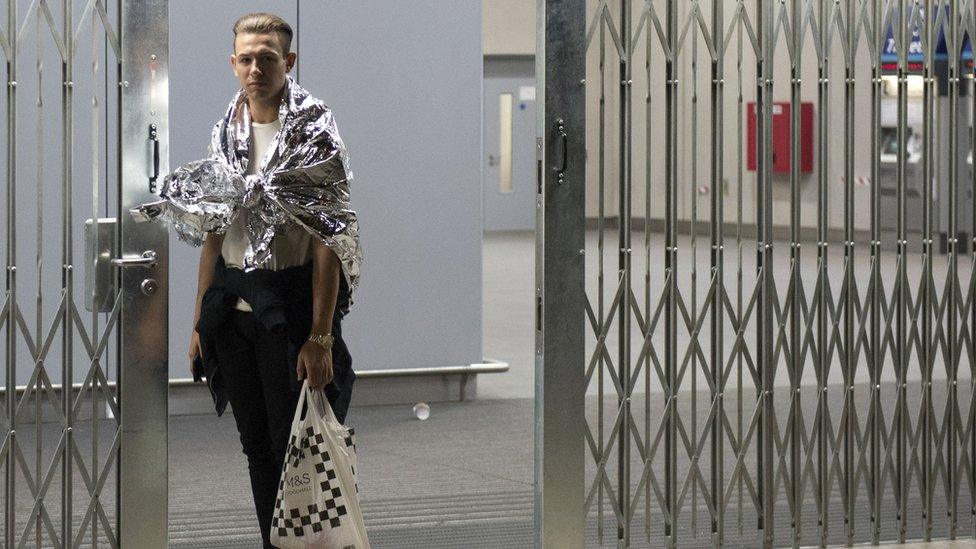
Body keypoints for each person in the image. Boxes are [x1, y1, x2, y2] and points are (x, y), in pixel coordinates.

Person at [181, 13, 362, 548]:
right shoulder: (226, 130)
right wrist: (199, 322)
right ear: (232, 64)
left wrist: (321, 336)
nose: (255, 67)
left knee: (299, 447)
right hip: (233, 313)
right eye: (246, 57)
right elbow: (215, 228)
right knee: (257, 449)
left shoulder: (313, 131)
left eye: (267, 56)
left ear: (289, 61)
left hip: (289, 313)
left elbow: (330, 237)